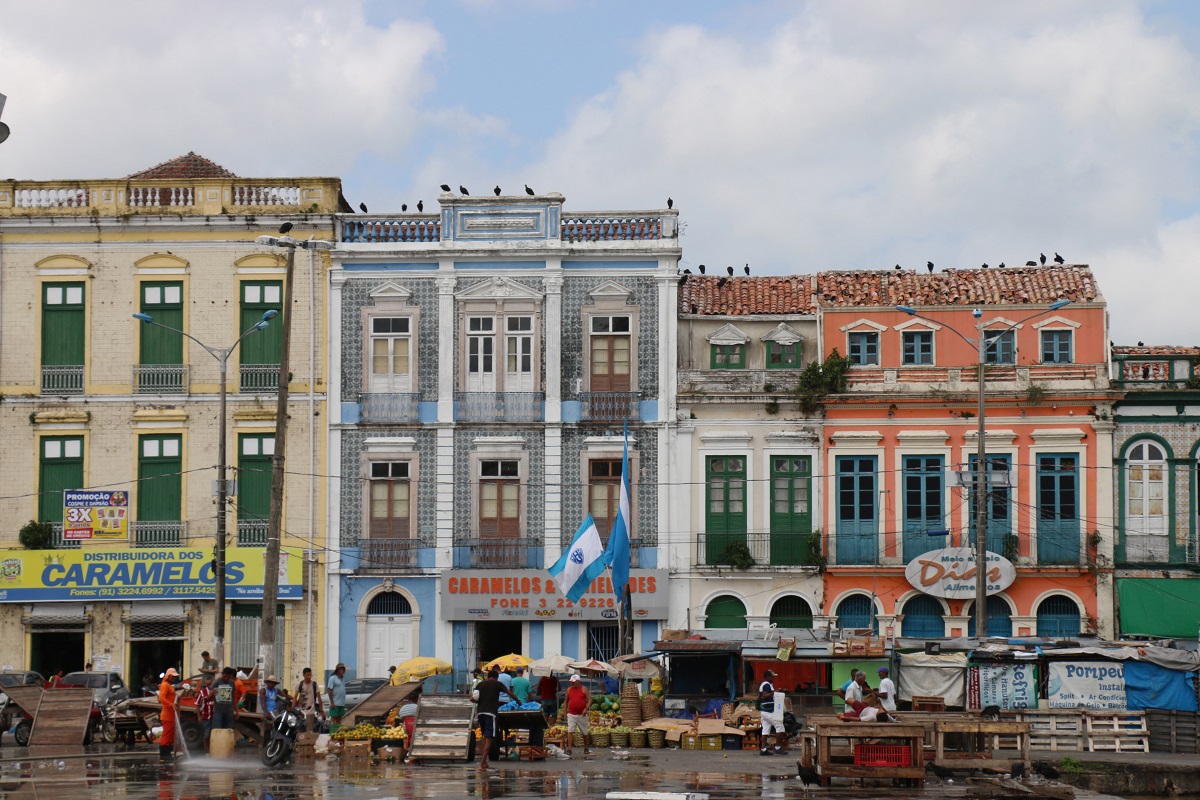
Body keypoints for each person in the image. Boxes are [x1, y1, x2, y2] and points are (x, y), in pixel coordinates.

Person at [472, 668, 506, 771]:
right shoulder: (497, 684)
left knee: (484, 737)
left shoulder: (480, 684)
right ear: (496, 677)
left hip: (480, 713)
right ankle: (482, 763)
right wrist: (518, 702)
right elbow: (510, 693)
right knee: (489, 738)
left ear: (487, 676)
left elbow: (473, 698)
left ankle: (484, 762)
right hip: (490, 714)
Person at [757, 669, 787, 756]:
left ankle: (763, 749)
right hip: (769, 711)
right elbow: (765, 696)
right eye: (772, 676)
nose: (773, 678)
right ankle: (777, 747)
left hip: (765, 711)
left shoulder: (766, 684)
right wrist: (774, 692)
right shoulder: (766, 685)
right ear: (768, 677)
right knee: (779, 726)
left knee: (765, 730)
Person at [564, 674, 591, 757]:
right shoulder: (569, 690)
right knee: (570, 731)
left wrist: (586, 708)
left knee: (584, 732)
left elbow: (589, 699)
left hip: (581, 714)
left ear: (578, 682)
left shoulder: (583, 689)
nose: (572, 683)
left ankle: (586, 747)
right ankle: (569, 748)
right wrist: (565, 713)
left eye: (573, 682)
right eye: (571, 682)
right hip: (571, 714)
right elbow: (566, 701)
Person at [158, 667, 179, 761]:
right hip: (167, 715)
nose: (174, 678)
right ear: (168, 676)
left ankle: (168, 754)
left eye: (175, 677)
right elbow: (161, 698)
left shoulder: (169, 685)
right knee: (167, 735)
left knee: (170, 735)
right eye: (173, 676)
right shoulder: (165, 685)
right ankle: (163, 755)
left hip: (171, 715)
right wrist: (171, 705)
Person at [211, 667, 239, 732]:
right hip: (218, 710)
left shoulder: (232, 683)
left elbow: (233, 697)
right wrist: (212, 693)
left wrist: (236, 710)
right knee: (217, 731)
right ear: (222, 674)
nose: (226, 678)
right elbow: (209, 695)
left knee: (228, 731)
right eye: (225, 676)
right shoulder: (216, 682)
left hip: (229, 711)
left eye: (228, 677)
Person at [259, 675, 283, 742]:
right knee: (269, 726)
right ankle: (269, 740)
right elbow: (263, 702)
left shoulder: (276, 690)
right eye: (270, 683)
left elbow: (284, 695)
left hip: (275, 712)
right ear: (267, 683)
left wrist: (294, 699)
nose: (272, 684)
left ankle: (277, 739)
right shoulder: (263, 690)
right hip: (267, 712)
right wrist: (266, 712)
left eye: (273, 683)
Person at [327, 663, 347, 733]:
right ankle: (331, 732)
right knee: (333, 718)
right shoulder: (333, 678)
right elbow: (329, 690)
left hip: (341, 703)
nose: (343, 670)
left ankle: (337, 732)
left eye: (343, 669)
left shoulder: (343, 678)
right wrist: (332, 702)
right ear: (337, 670)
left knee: (339, 718)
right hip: (335, 703)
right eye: (341, 669)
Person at [195, 678, 215, 750]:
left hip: (215, 717)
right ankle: (206, 751)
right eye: (207, 684)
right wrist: (199, 716)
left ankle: (213, 750)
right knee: (206, 735)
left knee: (214, 735)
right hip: (206, 717)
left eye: (210, 684)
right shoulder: (202, 692)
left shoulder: (216, 692)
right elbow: (197, 704)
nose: (209, 686)